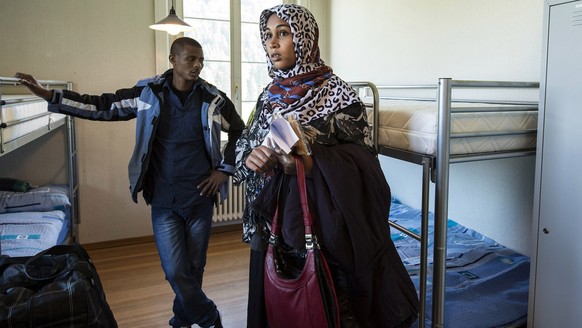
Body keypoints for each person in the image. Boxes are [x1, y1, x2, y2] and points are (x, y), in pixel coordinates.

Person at [15, 37, 245, 328]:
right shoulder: (147, 94)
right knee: (175, 270)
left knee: (194, 269)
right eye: (190, 59)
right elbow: (101, 106)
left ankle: (181, 321)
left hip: (200, 198)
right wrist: (50, 96)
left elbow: (240, 131)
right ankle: (209, 316)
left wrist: (224, 169)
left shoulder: (213, 99)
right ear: (173, 60)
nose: (197, 65)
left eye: (201, 60)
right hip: (163, 199)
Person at [233, 4, 420, 327]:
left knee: (322, 307)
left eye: (283, 33)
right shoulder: (268, 97)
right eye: (267, 36)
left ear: (304, 38)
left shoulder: (338, 93)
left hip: (322, 228)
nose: (273, 44)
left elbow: (364, 162)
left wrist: (310, 165)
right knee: (279, 305)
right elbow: (241, 150)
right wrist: (251, 159)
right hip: (271, 224)